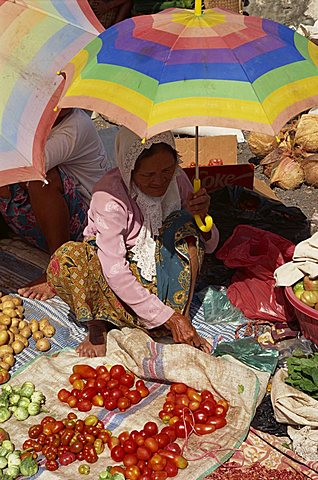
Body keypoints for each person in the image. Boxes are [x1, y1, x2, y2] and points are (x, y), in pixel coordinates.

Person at [47, 127, 219, 357]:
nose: (159, 181)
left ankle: (181, 318)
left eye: (167, 170)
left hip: (162, 279)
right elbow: (115, 271)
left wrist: (202, 216)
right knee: (69, 257)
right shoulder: (109, 198)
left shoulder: (178, 180)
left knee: (185, 227)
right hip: (112, 289)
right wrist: (168, 317)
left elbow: (211, 245)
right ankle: (99, 325)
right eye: (148, 175)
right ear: (129, 170)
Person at [0, 108, 107, 300]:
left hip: (89, 223)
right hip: (49, 216)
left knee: (42, 179)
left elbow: (31, 168)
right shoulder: (34, 119)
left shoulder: (76, 126)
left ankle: (58, 269)